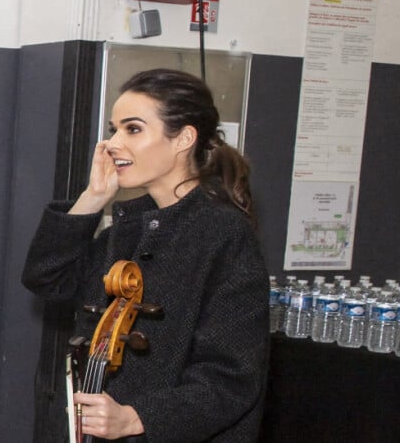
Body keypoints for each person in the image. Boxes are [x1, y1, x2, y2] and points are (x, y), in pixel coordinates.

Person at [22, 68, 270, 442]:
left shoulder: (223, 234)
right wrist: (93, 198)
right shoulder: (130, 225)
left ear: (183, 138)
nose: (111, 144)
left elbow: (232, 378)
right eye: (114, 129)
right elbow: (47, 278)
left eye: (133, 129)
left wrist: (138, 419)